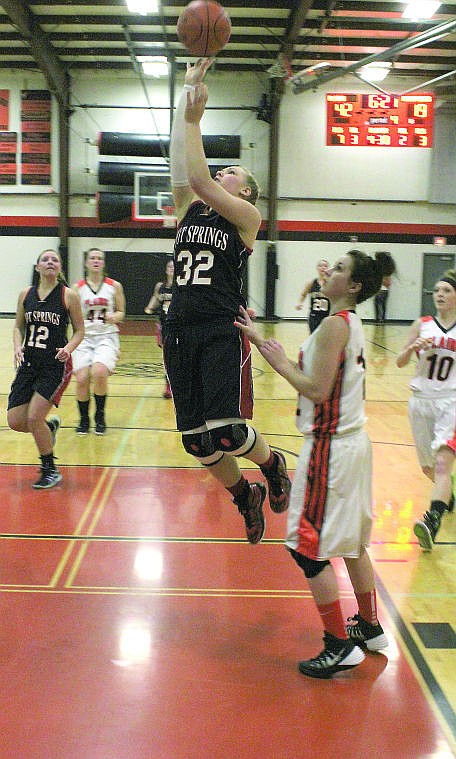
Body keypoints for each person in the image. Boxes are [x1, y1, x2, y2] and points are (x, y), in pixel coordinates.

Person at [235, 249, 396, 678]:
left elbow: (317, 389)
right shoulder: (351, 322)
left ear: (355, 286)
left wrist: (280, 362)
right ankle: (369, 625)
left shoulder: (331, 326)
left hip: (330, 448)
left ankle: (339, 644)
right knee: (353, 544)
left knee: (307, 550)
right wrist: (261, 339)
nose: (330, 270)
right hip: (354, 444)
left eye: (340, 268)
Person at [163, 57, 291, 544]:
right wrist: (187, 94)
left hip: (221, 325)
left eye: (233, 170)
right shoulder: (188, 207)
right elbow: (184, 164)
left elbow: (199, 177)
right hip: (179, 326)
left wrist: (195, 118)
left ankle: (272, 463)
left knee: (228, 435)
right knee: (196, 441)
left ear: (247, 190)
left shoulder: (246, 217)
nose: (224, 171)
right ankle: (245, 495)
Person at [7, 249, 84, 489]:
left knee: (33, 417)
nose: (50, 262)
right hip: (29, 363)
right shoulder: (25, 294)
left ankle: (50, 469)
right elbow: (18, 327)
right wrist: (18, 347)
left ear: (59, 268)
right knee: (16, 421)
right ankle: (49, 428)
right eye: (45, 259)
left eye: (55, 260)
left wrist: (68, 348)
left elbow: (80, 331)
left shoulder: (68, 296)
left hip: (54, 365)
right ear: (38, 267)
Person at [396, 270, 456, 551]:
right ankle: (446, 496)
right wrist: (412, 349)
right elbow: (399, 361)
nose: (440, 295)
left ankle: (432, 520)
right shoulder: (421, 324)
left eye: (446, 290)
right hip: (420, 402)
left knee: (443, 464)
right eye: (437, 291)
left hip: (450, 402)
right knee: (429, 469)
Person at [72, 247, 126, 434]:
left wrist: (114, 317)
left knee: (99, 372)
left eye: (99, 258)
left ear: (103, 263)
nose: (96, 261)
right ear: (86, 263)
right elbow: (70, 315)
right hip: (84, 338)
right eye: (92, 258)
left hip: (106, 336)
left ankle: (100, 416)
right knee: (82, 379)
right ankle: (84, 419)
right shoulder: (76, 288)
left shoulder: (114, 286)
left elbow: (122, 313)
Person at [144, 257, 174, 398]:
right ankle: (168, 385)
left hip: (177, 325)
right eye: (169, 266)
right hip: (164, 325)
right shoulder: (160, 286)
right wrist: (150, 308)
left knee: (178, 356)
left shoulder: (180, 286)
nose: (172, 268)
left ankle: (179, 384)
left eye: (174, 266)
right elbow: (155, 299)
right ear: (166, 269)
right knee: (166, 357)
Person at [296, 259, 330, 333]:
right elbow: (303, 294)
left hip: (327, 316)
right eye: (320, 266)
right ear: (317, 268)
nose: (323, 268)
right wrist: (299, 303)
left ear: (328, 269)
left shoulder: (331, 283)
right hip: (314, 316)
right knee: (313, 337)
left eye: (325, 266)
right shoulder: (311, 283)